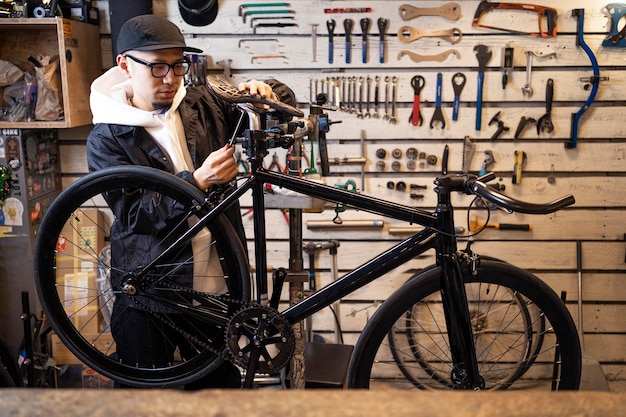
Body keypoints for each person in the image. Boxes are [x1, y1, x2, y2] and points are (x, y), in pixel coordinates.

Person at [86, 14, 296, 389]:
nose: (170, 78)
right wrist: (195, 181)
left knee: (220, 393)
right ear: (124, 65)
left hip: (215, 287)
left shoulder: (203, 104)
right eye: (157, 67)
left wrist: (264, 91)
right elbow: (134, 214)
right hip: (150, 293)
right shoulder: (108, 137)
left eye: (178, 65)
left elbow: (275, 113)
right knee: (145, 401)